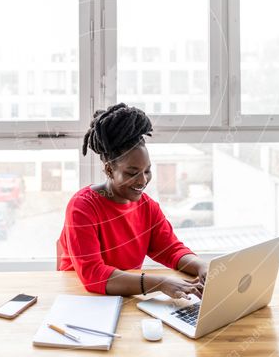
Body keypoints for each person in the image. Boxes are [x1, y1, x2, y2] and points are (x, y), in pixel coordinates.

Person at [57, 103, 209, 299]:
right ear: (110, 170)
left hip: (124, 296)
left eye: (147, 171)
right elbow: (93, 276)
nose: (143, 180)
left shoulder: (147, 207)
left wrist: (203, 266)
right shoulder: (83, 207)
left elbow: (171, 250)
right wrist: (160, 283)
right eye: (132, 173)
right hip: (82, 299)